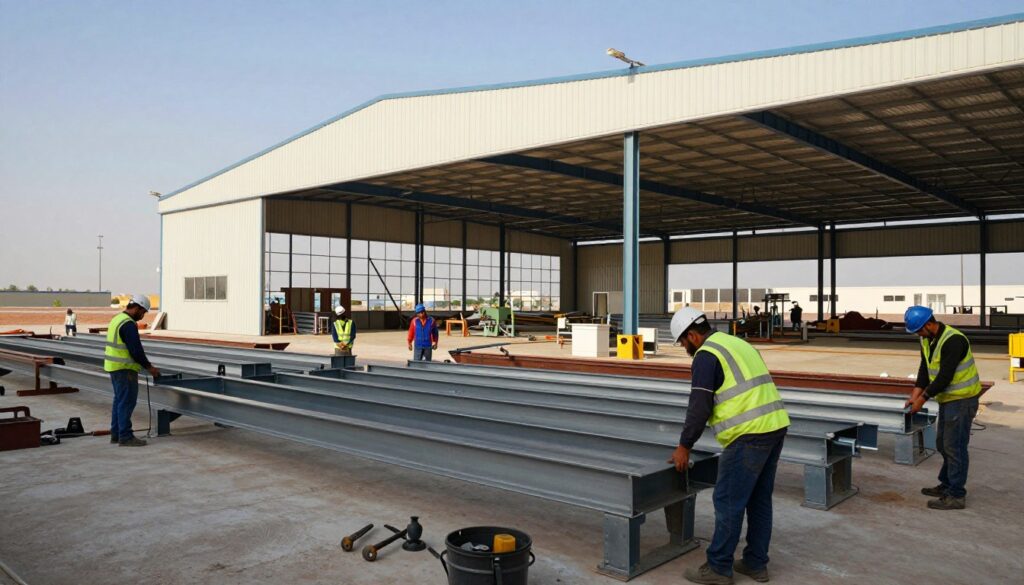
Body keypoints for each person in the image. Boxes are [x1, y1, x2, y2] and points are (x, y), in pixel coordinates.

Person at [668, 307, 790, 584]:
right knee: (759, 500)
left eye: (683, 343)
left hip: (748, 435)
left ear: (692, 336)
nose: (685, 348)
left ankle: (719, 568)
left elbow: (699, 407)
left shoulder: (706, 355)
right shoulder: (736, 342)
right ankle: (756, 563)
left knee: (727, 501)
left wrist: (684, 446)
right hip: (775, 426)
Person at [903, 305, 982, 510]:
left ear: (929, 324)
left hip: (963, 400)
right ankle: (946, 484)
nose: (918, 335)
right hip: (948, 399)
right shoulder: (927, 339)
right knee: (942, 444)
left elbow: (944, 377)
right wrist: (914, 396)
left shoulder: (954, 340)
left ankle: (956, 494)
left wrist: (922, 400)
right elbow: (925, 369)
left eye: (919, 330)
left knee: (954, 447)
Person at [103, 294, 160, 447]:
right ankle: (126, 436)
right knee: (126, 402)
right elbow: (136, 351)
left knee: (119, 402)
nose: (142, 316)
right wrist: (150, 368)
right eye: (143, 312)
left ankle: (116, 434)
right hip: (124, 369)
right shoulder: (128, 324)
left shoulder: (117, 319)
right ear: (137, 308)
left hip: (114, 367)